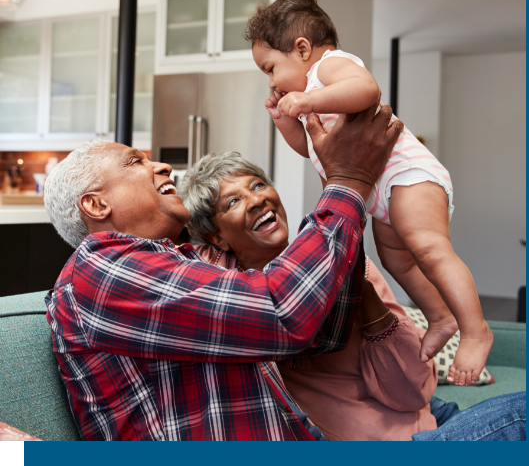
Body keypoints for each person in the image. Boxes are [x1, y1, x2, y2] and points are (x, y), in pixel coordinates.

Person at [43, 104, 403, 440]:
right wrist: (347, 183)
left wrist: (342, 182)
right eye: (135, 162)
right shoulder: (101, 269)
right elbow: (282, 313)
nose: (163, 167)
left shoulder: (177, 261)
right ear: (96, 204)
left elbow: (321, 334)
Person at [178, 152, 526, 441]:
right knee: (524, 416)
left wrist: (363, 293)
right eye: (234, 201)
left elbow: (412, 393)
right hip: (388, 438)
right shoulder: (231, 294)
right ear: (217, 238)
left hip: (422, 407)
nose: (256, 200)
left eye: (257, 185)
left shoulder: (335, 258)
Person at [246, 0, 493, 386]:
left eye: (270, 67)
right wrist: (283, 120)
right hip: (378, 190)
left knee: (429, 248)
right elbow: (309, 149)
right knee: (400, 261)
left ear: (303, 49)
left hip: (405, 174)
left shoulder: (327, 68)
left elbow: (367, 90)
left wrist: (307, 102)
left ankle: (477, 330)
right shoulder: (310, 90)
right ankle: (440, 316)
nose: (271, 79)